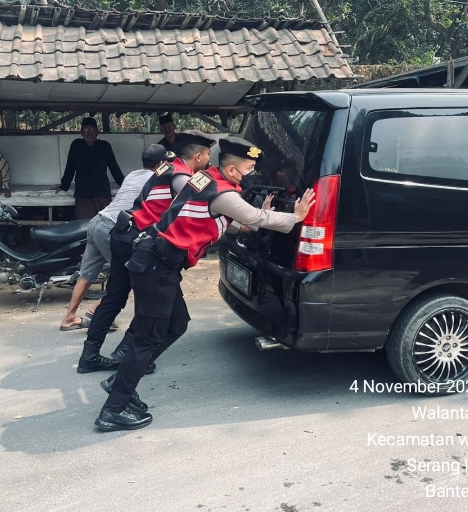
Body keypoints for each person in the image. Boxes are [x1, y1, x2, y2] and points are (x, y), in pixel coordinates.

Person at [94, 136, 316, 432]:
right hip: (155, 267)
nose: (253, 172)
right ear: (234, 170)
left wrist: (259, 215)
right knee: (148, 337)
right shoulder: (223, 193)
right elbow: (253, 217)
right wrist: (295, 216)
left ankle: (120, 381)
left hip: (159, 263)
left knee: (176, 324)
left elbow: (234, 221)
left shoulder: (206, 179)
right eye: (250, 167)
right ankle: (114, 408)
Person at [76, 130, 215, 375]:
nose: (208, 160)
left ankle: (90, 355)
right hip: (137, 240)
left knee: (115, 296)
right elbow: (198, 199)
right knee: (152, 300)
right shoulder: (181, 174)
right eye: (207, 155)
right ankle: (125, 357)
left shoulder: (164, 168)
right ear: (199, 156)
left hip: (122, 232)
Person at [59, 144, 176, 331]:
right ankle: (94, 310)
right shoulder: (157, 180)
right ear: (162, 163)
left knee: (87, 274)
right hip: (113, 228)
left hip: (98, 221)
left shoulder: (133, 174)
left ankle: (69, 318)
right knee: (126, 275)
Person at [54, 117, 126, 219]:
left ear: (97, 132)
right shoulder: (76, 145)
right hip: (83, 194)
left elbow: (114, 168)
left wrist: (124, 184)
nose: (89, 133)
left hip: (102, 193)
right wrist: (64, 185)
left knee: (105, 223)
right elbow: (70, 166)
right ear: (81, 132)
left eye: (92, 129)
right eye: (86, 129)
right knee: (85, 226)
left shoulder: (104, 146)